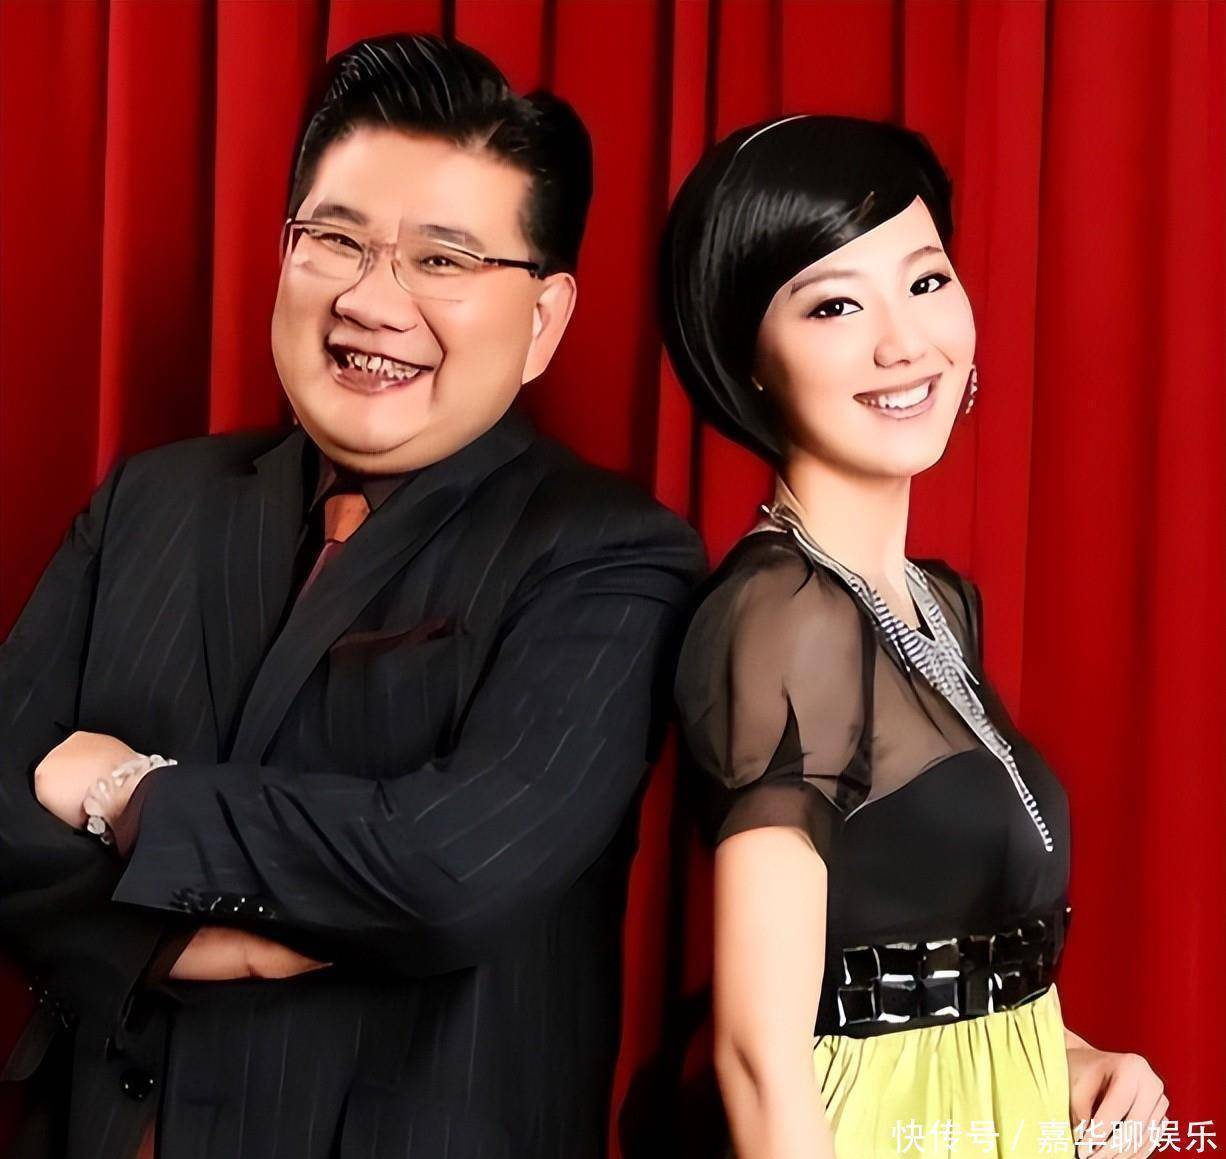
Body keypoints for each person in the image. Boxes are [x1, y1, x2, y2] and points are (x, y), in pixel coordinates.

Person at [0, 32, 706, 1159]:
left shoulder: (610, 554)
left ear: (543, 319)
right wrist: (161, 944)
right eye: (334, 240)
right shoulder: (151, 499)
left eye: (441, 259)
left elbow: (450, 867)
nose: (373, 301)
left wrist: (132, 797)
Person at [659, 114, 1166, 1158]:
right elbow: (759, 1056)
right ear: (747, 356)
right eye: (835, 305)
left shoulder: (936, 602)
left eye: (926, 281)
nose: (903, 342)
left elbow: (916, 968)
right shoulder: (784, 618)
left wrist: (1071, 1061)